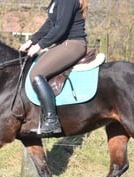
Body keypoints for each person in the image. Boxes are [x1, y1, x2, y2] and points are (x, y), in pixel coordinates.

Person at [20, 0, 88, 135]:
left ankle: (51, 121)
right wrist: (31, 41)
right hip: (64, 44)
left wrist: (40, 45)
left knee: (36, 74)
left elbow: (60, 28)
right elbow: (50, 24)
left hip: (73, 44)